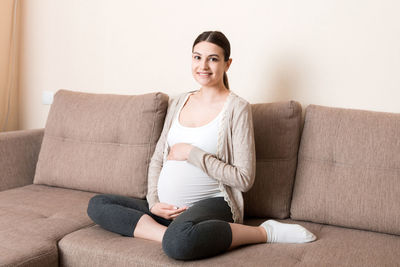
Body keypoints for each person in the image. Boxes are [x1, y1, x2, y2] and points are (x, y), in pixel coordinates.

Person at [87, 31, 316, 261]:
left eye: (213, 59)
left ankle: (264, 232)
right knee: (98, 204)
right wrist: (154, 202)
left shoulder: (237, 108)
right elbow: (158, 159)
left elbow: (244, 179)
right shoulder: (179, 101)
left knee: (178, 245)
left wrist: (192, 153)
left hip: (215, 203)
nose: (203, 65)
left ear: (228, 64)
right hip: (167, 210)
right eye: (197, 57)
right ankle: (172, 233)